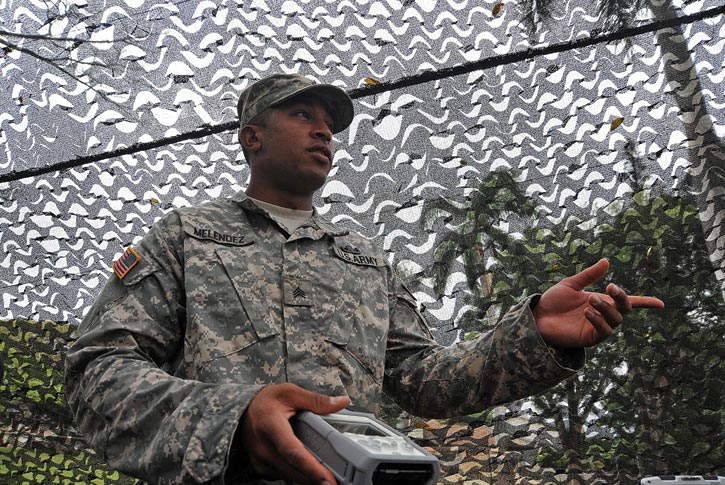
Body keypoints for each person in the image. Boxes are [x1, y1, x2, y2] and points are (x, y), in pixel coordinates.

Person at [64, 74, 665, 485]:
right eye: (302, 115)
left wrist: (534, 334)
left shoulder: (364, 258)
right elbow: (97, 373)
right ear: (251, 138)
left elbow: (426, 381)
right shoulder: (185, 236)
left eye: (330, 123)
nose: (324, 131)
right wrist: (236, 418)